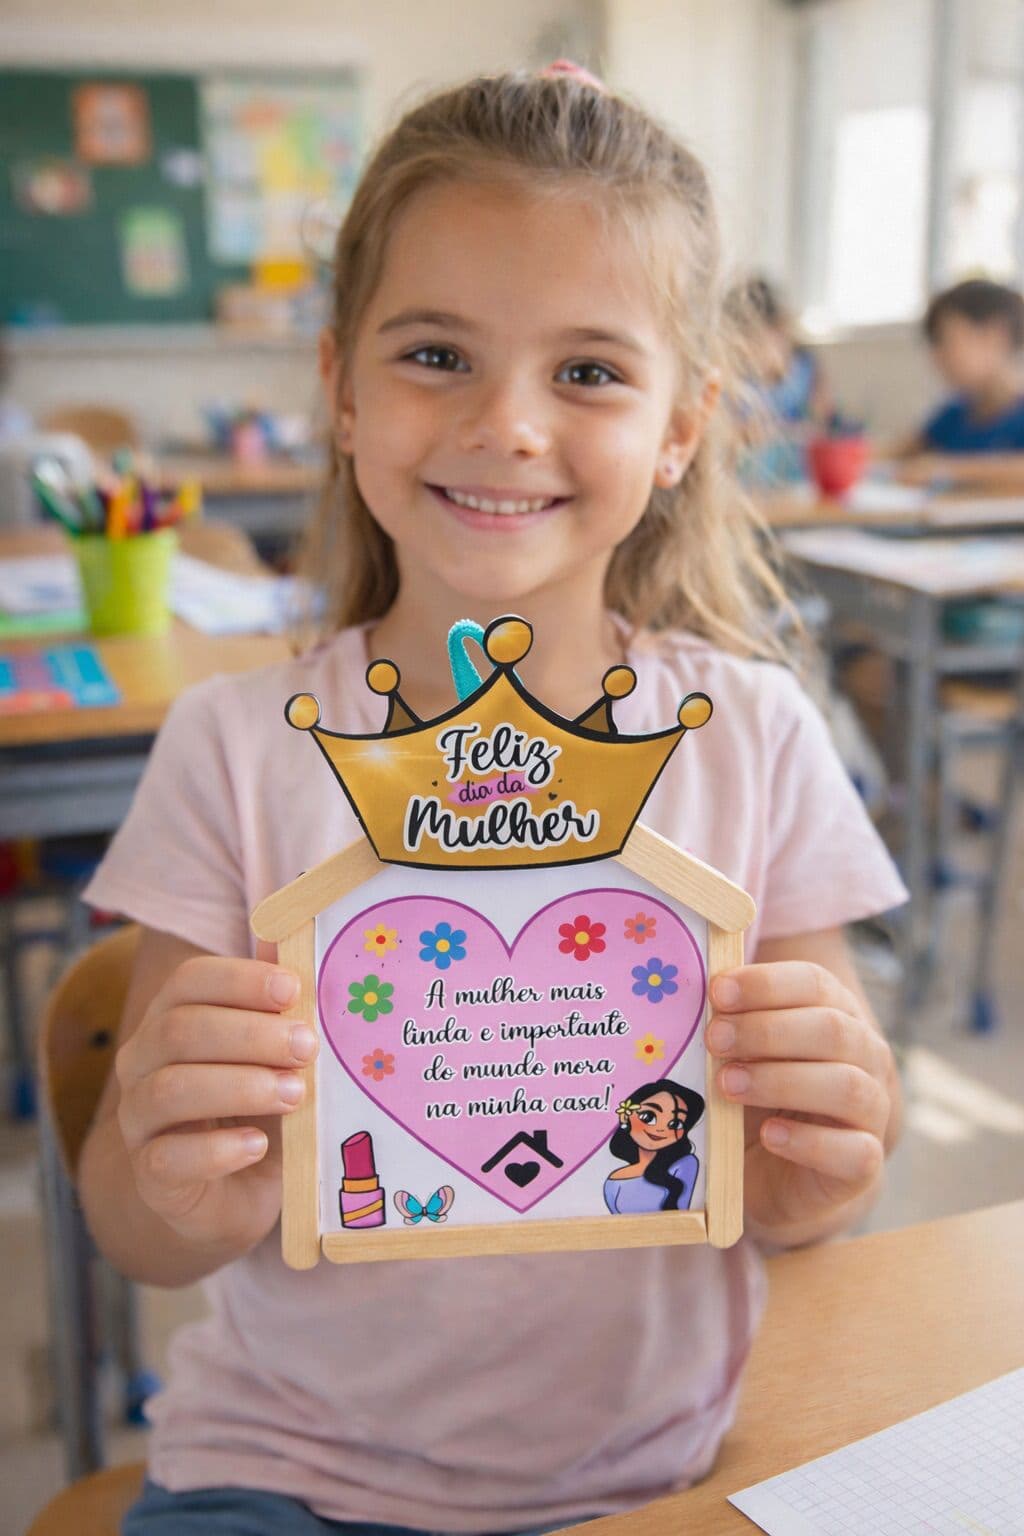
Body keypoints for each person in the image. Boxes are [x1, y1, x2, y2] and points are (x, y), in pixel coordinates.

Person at [78, 65, 907, 1536]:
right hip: (282, 1474)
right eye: (435, 354)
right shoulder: (234, 747)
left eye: (587, 372)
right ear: (342, 391)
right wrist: (180, 1183)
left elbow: (802, 1200)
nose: (508, 424)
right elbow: (138, 1230)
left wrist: (821, 1159)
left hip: (651, 1480)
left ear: (682, 426)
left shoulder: (756, 741)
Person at [896, 278, 1024, 474]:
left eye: (945, 340)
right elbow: (900, 451)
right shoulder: (955, 413)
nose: (936, 356)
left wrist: (948, 468)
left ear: (994, 335)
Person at [603, 1078, 705, 1213]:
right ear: (625, 1117)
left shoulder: (684, 1164)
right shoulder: (613, 1182)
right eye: (648, 1117)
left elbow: (683, 1214)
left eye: (675, 1124)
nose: (661, 1129)